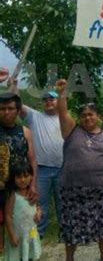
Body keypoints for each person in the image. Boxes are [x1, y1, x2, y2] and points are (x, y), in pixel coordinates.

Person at [55, 79, 103, 261]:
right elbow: (62, 112)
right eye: (84, 115)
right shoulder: (71, 130)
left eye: (91, 114)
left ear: (98, 115)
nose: (88, 118)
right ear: (79, 118)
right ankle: (69, 258)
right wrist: (62, 93)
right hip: (74, 190)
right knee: (72, 226)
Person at [10, 80, 63, 238]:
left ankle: (65, 233)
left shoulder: (64, 118)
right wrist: (14, 86)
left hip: (62, 168)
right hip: (41, 169)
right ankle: (37, 235)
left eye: (52, 99)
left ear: (58, 101)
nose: (48, 102)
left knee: (63, 204)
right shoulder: (35, 116)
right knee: (40, 203)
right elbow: (18, 104)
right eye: (45, 100)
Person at [0, 92, 38, 252]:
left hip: (19, 188)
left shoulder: (25, 132)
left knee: (20, 226)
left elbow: (32, 160)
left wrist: (33, 185)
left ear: (17, 110)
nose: (6, 112)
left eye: (10, 108)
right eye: (2, 109)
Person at [4, 162, 42, 260]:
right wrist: (11, 235)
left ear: (31, 176)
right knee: (18, 257)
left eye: (26, 176)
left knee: (30, 256)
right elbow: (7, 216)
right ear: (13, 178)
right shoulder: (13, 195)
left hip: (31, 232)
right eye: (19, 177)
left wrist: (38, 213)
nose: (23, 180)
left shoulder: (32, 194)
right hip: (18, 235)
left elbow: (38, 207)